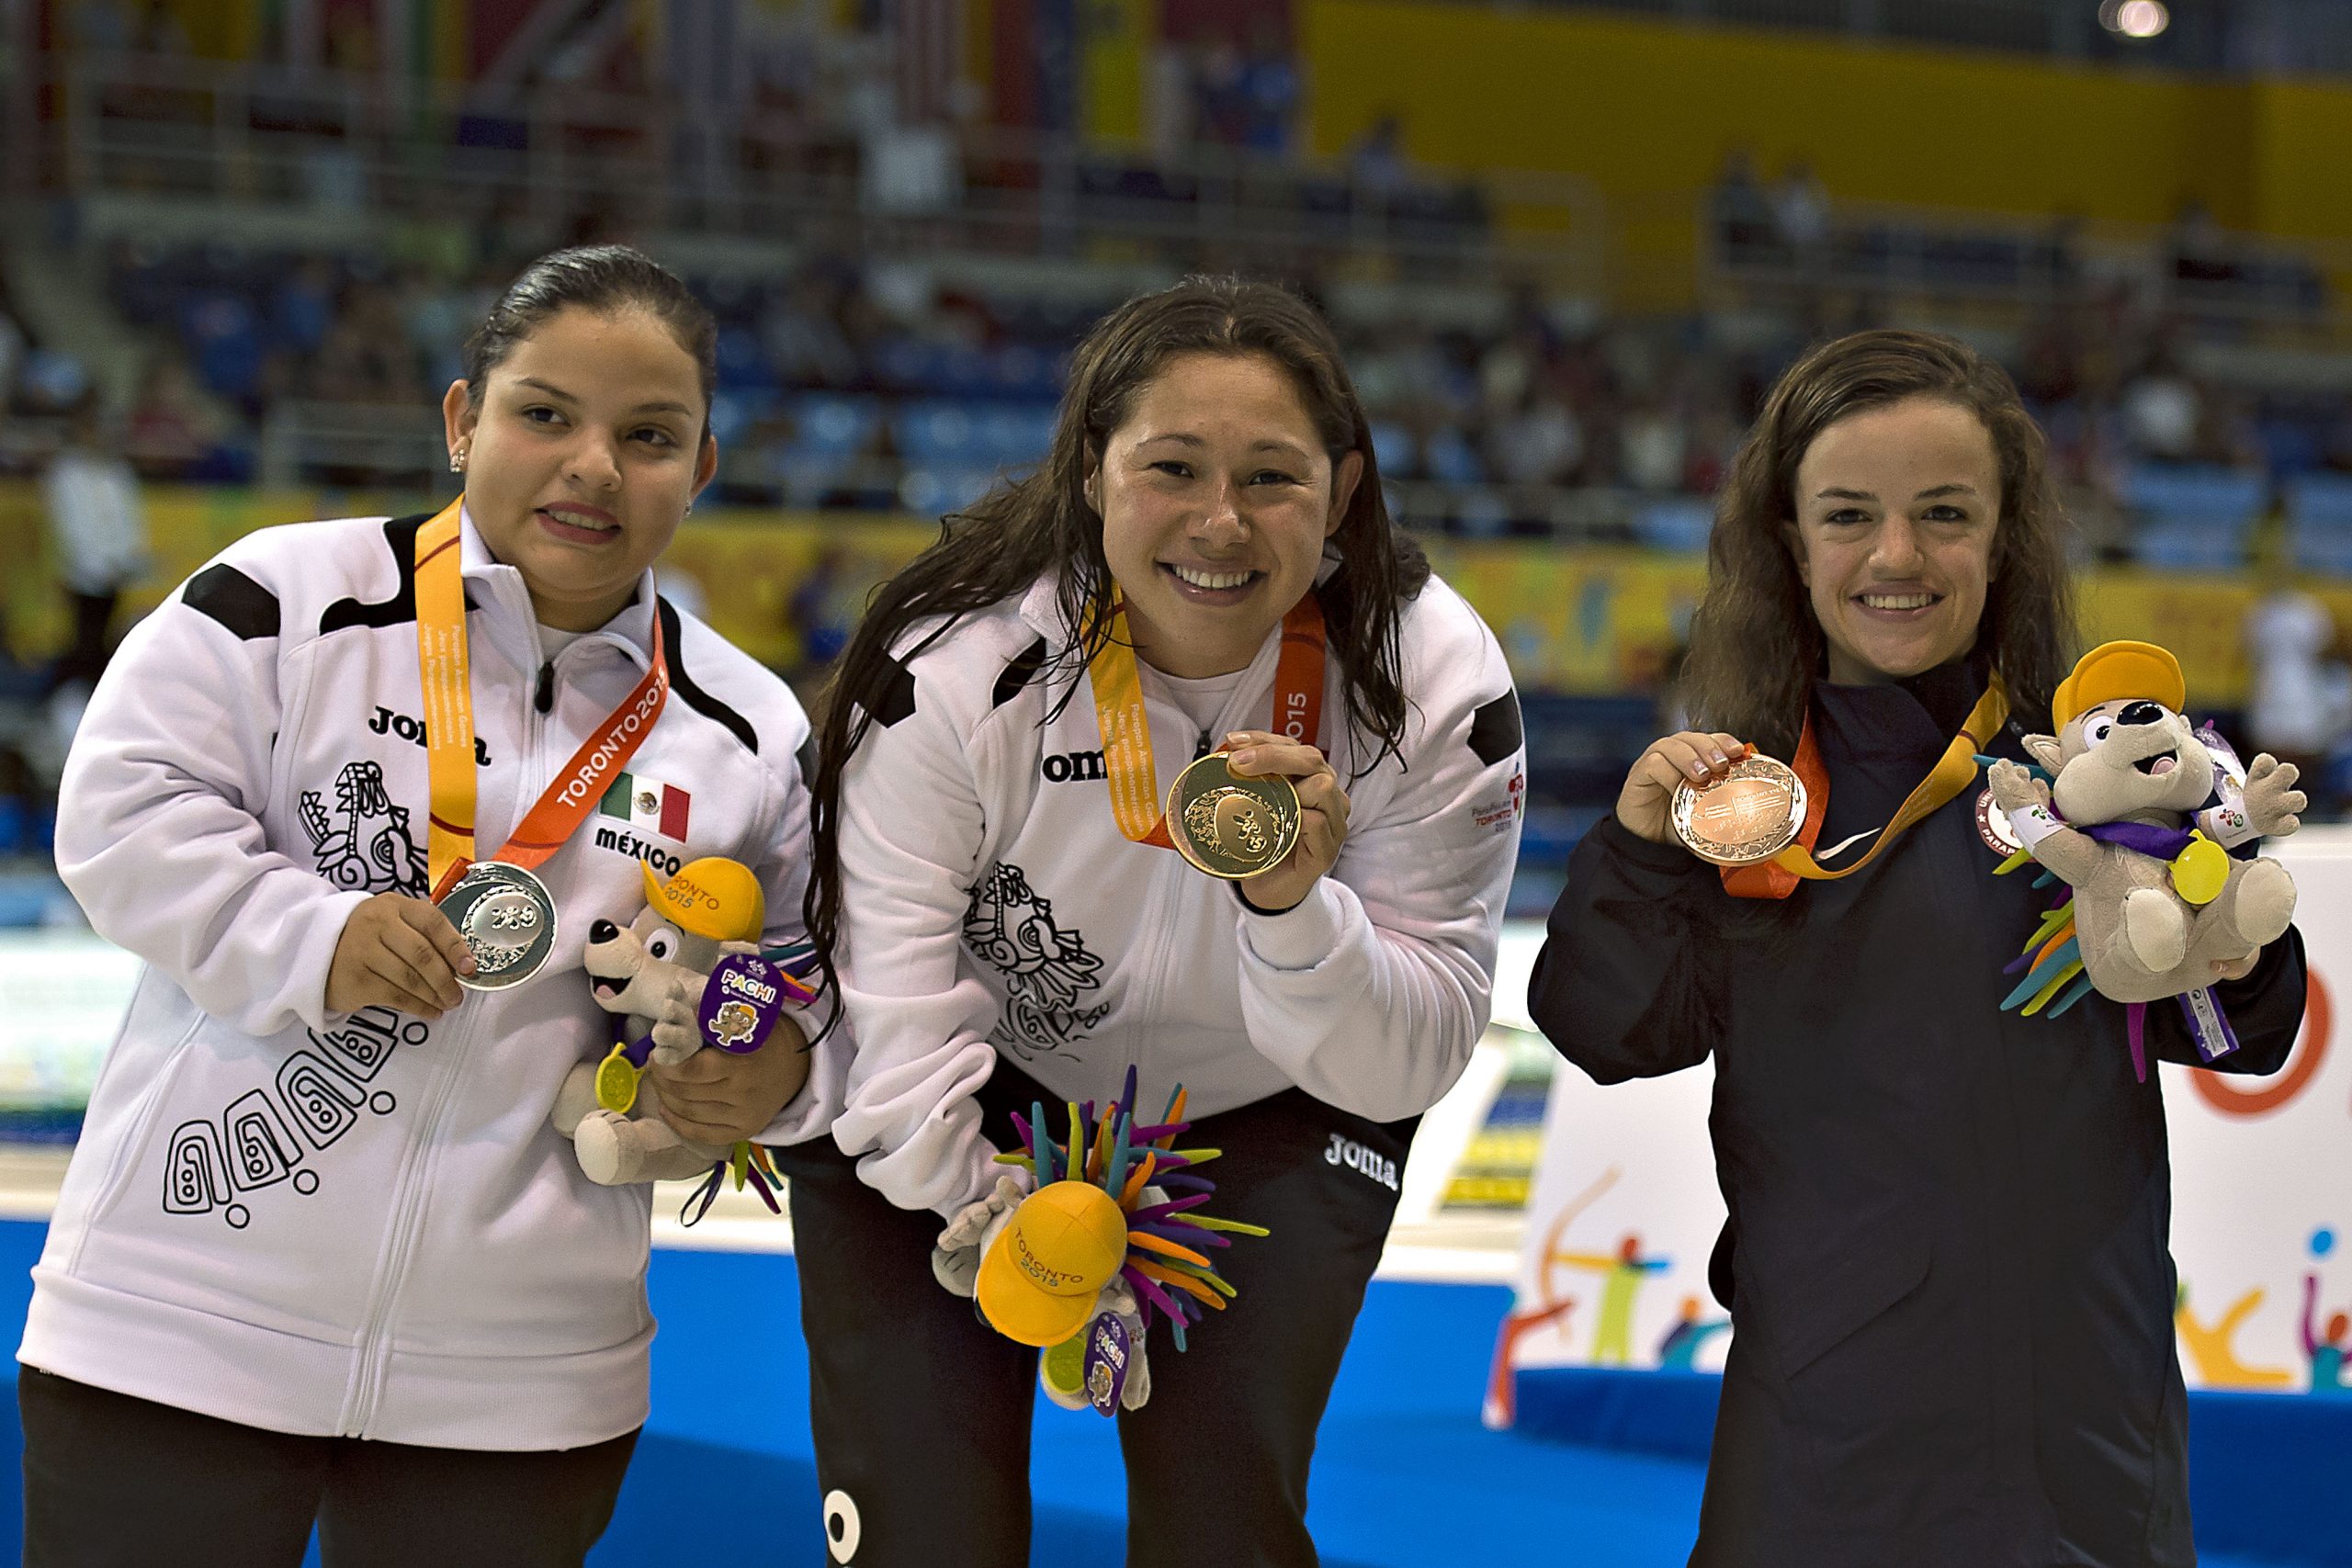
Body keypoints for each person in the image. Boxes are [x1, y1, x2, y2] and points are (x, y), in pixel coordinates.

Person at [21, 245, 836, 1568]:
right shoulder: (284, 598)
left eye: (648, 436)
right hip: (182, 1319)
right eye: (544, 413)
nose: (591, 466)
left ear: (702, 469)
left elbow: (811, 977)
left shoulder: (748, 729)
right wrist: (314, 933)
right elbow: (117, 811)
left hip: (524, 1380)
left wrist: (774, 1072)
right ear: (464, 420)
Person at [1529, 329, 2308, 1567]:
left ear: (2003, 541)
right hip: (1824, 1444)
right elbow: (1610, 1028)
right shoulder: (1750, 808)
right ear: (1789, 540)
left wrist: (2228, 911)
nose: (1899, 555)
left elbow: (2250, 1034)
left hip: (2078, 1429)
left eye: (1945, 513)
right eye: (1850, 514)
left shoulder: (2091, 789)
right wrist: (1633, 851)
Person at [782, 276, 1525, 1566]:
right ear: (1089, 470)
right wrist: (995, 1207)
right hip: (966, 1091)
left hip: (1274, 1099)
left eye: (1273, 478)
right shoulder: (954, 662)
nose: (1220, 523)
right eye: (1172, 466)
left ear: (1343, 492)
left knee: (1222, 1523)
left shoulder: (1428, 672)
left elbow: (1409, 1055)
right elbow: (888, 997)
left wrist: (1293, 905)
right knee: (925, 1531)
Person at [40, 394, 149, 697]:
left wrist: (125, 560)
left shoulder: (118, 475)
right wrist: (98, 565)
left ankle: (93, 696)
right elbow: (72, 527)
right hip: (83, 574)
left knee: (107, 640)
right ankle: (64, 699)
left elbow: (129, 522)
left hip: (117, 572)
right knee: (83, 640)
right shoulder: (66, 474)